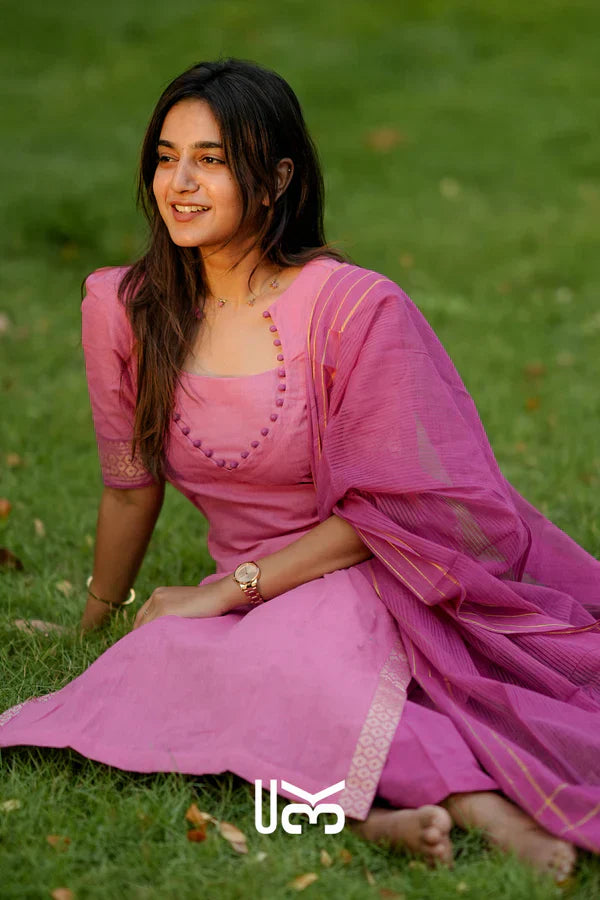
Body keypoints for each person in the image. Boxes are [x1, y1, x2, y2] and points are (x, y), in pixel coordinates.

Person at [1, 58, 599, 884]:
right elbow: (129, 485)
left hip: (365, 565)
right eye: (166, 157)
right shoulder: (125, 307)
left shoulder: (353, 308)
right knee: (158, 666)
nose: (180, 183)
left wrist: (227, 591)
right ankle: (379, 814)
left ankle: (479, 808)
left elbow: (388, 511)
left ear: (276, 178)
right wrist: (94, 622)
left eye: (211, 160)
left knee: (293, 665)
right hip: (250, 598)